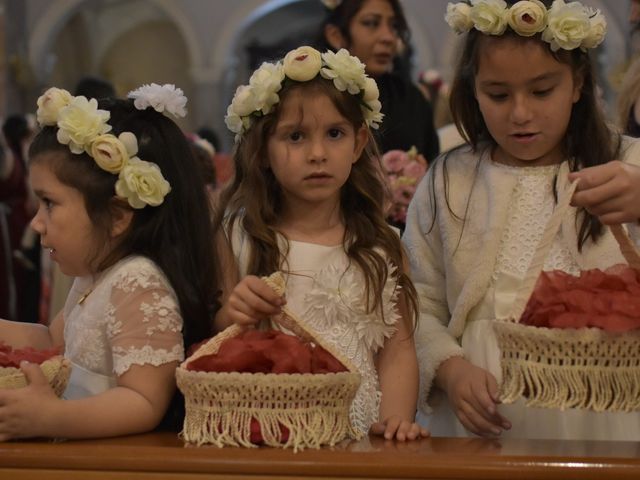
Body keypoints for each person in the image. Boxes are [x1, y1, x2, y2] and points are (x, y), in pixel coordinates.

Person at [403, 0, 640, 441]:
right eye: (498, 94)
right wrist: (449, 369)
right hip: (477, 411)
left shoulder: (628, 165)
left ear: (578, 83)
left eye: (542, 91)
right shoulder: (450, 179)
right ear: (473, 89)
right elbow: (419, 301)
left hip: (604, 402)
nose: (520, 113)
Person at [215, 45, 428, 442]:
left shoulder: (382, 245)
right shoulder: (241, 238)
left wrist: (394, 422)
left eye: (334, 134)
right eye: (295, 136)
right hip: (271, 431)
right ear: (262, 150)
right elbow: (217, 336)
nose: (317, 154)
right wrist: (233, 314)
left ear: (359, 142)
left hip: (361, 434)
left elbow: (396, 351)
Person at [0, 83, 218, 440]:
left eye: (49, 203)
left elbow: (144, 400)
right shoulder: (96, 276)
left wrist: (53, 417)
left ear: (117, 216)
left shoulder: (137, 281)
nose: (36, 222)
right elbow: (52, 340)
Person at [317, 0, 440, 161]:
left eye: (394, 26)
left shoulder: (410, 97)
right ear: (336, 35)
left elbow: (432, 167)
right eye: (371, 23)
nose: (388, 37)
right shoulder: (317, 97)